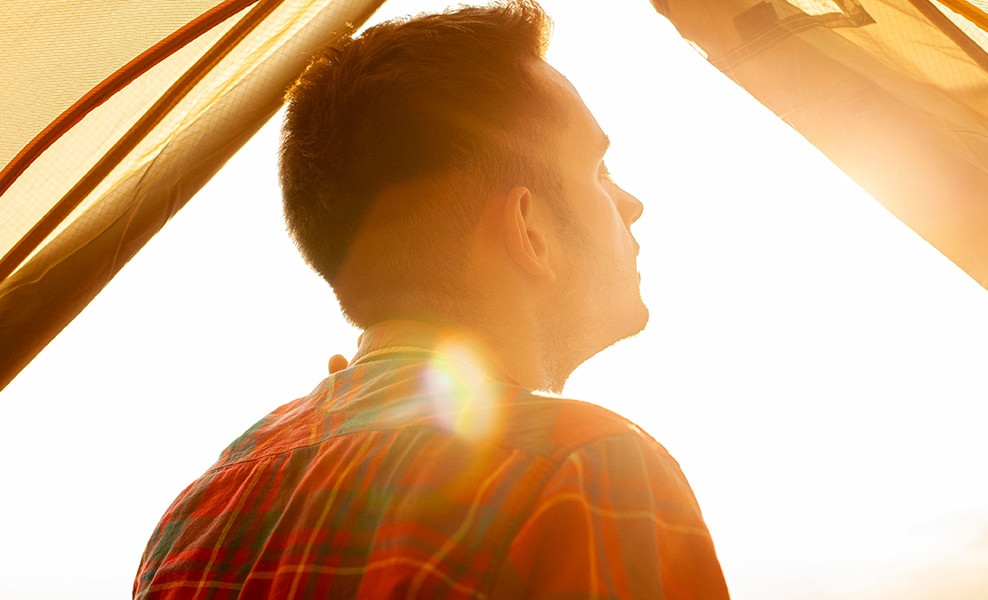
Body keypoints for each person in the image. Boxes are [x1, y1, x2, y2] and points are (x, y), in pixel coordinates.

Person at [133, 1, 729, 598]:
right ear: (530, 231)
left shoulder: (196, 513)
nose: (631, 204)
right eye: (599, 170)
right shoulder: (587, 474)